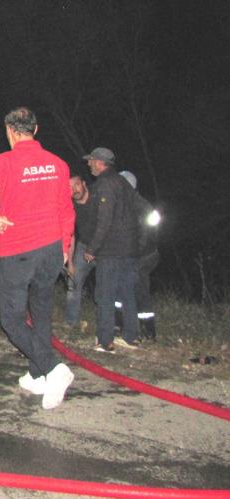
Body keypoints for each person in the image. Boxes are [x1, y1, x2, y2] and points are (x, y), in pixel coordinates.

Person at [0, 107, 76, 410]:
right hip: (51, 249)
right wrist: (65, 247)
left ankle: (54, 369)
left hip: (19, 251)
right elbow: (66, 211)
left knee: (12, 319)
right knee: (40, 311)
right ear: (35, 129)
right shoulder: (58, 164)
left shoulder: (4, 161)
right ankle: (37, 374)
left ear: (10, 131)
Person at [83, 147, 141, 352]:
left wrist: (92, 248)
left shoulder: (105, 184)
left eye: (91, 160)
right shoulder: (123, 183)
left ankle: (105, 340)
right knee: (127, 293)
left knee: (105, 294)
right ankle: (131, 337)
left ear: (100, 162)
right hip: (129, 249)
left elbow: (104, 220)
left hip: (112, 250)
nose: (88, 164)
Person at [119, 170, 160, 341]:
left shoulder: (139, 206)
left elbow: (145, 236)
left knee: (138, 290)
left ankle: (147, 332)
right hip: (138, 255)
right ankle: (121, 325)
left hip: (143, 257)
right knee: (124, 289)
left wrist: (131, 256)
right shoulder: (126, 204)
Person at [64, 171, 98, 327]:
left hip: (104, 250)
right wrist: (70, 262)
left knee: (106, 288)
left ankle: (112, 323)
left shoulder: (99, 199)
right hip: (83, 248)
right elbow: (70, 234)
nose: (74, 190)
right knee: (73, 283)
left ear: (84, 184)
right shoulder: (69, 208)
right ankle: (72, 322)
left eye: (76, 184)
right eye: (70, 187)